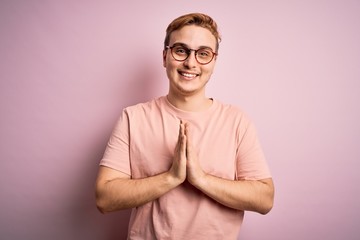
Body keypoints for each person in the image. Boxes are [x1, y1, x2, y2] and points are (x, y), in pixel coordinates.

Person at [95, 12, 274, 239]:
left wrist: (201, 179)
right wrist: (171, 177)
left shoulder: (236, 121)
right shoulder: (133, 117)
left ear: (214, 62)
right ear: (165, 57)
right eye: (181, 50)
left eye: (203, 54)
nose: (191, 62)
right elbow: (104, 198)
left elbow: (265, 199)